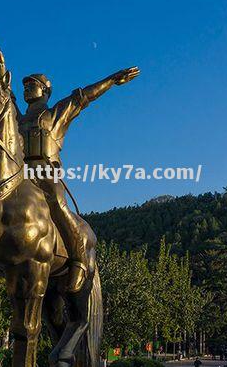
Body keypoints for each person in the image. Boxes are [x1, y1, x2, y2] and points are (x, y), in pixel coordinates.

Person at [19, 67, 139, 293]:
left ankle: (78, 260)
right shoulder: (17, 118)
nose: (26, 88)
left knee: (58, 206)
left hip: (45, 173)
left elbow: (84, 96)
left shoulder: (55, 114)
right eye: (25, 85)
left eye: (32, 84)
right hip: (19, 174)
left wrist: (111, 80)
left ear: (45, 90)